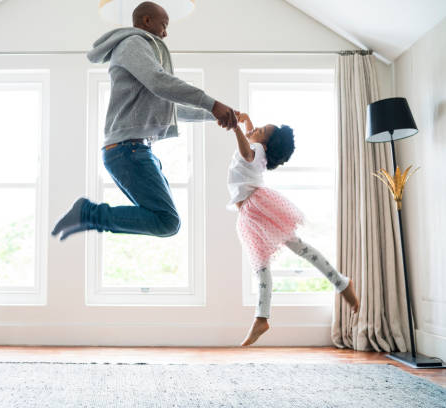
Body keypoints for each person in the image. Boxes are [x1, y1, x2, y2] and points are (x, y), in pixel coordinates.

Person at [51, 1, 237, 241]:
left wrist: (212, 114)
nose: (166, 33)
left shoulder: (139, 51)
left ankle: (89, 214)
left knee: (167, 221)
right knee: (167, 221)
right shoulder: (133, 44)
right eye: (164, 24)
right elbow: (160, 82)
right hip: (128, 150)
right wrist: (211, 103)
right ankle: (88, 213)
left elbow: (168, 106)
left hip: (132, 150)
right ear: (147, 21)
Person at [228, 112, 360, 346]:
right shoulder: (259, 148)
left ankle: (341, 282)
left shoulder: (255, 152)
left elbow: (247, 150)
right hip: (250, 213)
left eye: (259, 130)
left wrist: (236, 129)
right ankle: (262, 316)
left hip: (259, 207)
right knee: (262, 265)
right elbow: (251, 138)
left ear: (265, 144)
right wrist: (246, 122)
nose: (253, 130)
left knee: (296, 249)